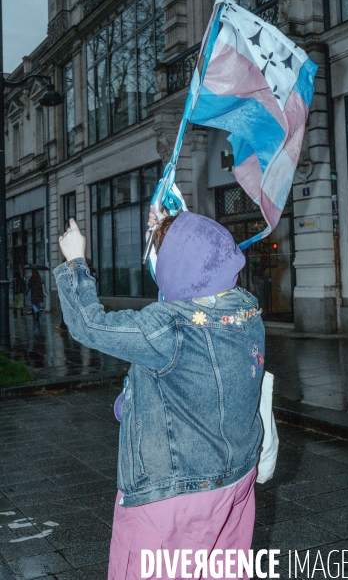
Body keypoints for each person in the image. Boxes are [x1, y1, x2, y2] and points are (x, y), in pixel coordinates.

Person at [55, 214, 265, 580]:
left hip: (172, 495)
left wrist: (76, 260)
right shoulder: (246, 310)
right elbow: (197, 266)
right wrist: (172, 222)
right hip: (236, 480)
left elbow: (88, 323)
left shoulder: (168, 328)